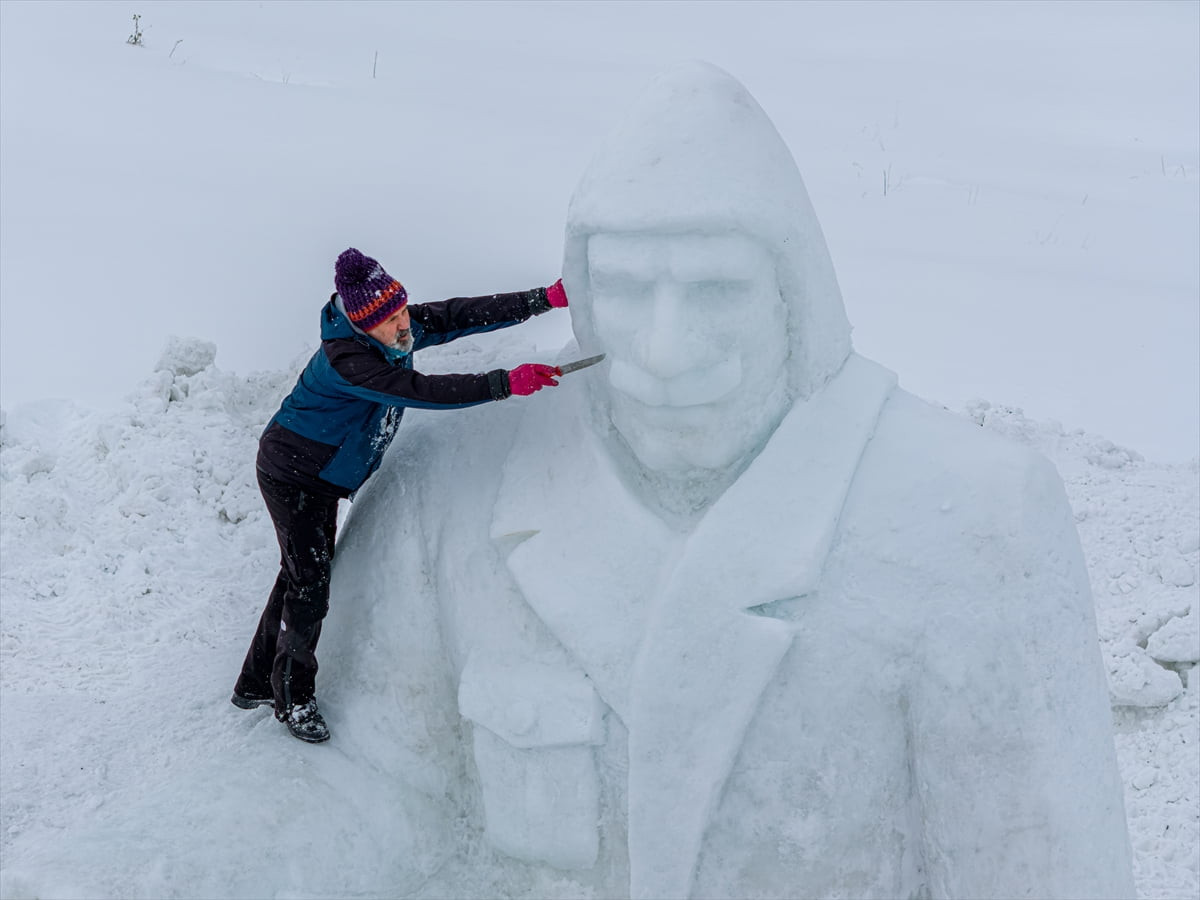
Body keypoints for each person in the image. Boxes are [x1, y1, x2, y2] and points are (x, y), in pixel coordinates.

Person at [332, 63, 1135, 898]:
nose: (666, 351)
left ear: (793, 298)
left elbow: (1038, 873)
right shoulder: (456, 471)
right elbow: (354, 789)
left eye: (716, 291)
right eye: (628, 292)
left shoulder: (974, 523)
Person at [231, 247, 567, 743]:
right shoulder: (348, 362)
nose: (404, 325)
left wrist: (545, 299)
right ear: (363, 326)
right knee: (309, 584)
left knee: (300, 572)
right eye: (389, 320)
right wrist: (503, 383)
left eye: (403, 310)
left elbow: (459, 315)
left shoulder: (394, 326)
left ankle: (255, 682)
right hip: (293, 476)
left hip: (318, 474)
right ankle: (292, 699)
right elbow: (419, 390)